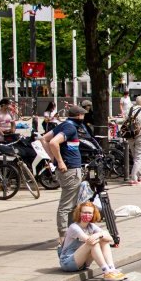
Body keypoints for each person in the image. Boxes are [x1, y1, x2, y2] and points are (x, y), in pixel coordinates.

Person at [45, 104, 87, 243]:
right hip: (70, 169)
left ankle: (70, 233)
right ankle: (63, 236)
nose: (84, 117)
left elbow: (43, 139)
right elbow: (52, 142)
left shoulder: (63, 125)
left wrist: (53, 158)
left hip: (68, 168)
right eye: (83, 115)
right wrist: (59, 161)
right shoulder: (70, 127)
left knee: (72, 203)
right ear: (78, 116)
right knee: (67, 205)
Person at [58, 201, 124, 280]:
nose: (87, 215)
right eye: (84, 212)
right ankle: (106, 272)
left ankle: (111, 268)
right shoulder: (74, 227)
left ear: (93, 214)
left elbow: (110, 239)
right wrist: (99, 235)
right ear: (79, 213)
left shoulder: (91, 226)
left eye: (90, 213)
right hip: (67, 262)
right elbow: (88, 240)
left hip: (83, 263)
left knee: (104, 240)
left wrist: (99, 234)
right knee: (93, 243)